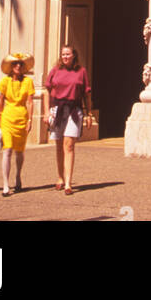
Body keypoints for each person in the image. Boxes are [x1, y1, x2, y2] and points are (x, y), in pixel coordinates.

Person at [44, 44, 92, 194]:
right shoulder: (55, 71)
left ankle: (68, 184)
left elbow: (86, 94)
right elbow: (47, 91)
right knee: (59, 145)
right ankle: (60, 177)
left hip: (74, 110)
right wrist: (46, 112)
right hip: (57, 110)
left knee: (69, 144)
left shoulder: (81, 72)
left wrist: (89, 113)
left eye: (68, 54)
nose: (65, 57)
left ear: (74, 56)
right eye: (63, 54)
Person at [0, 53, 35, 196]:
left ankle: (18, 176)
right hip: (8, 116)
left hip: (22, 116)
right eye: (15, 64)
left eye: (20, 64)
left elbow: (30, 101)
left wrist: (30, 120)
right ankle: (5, 185)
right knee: (7, 149)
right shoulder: (5, 81)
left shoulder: (28, 82)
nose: (18, 66)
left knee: (19, 151)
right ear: (11, 67)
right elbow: (0, 100)